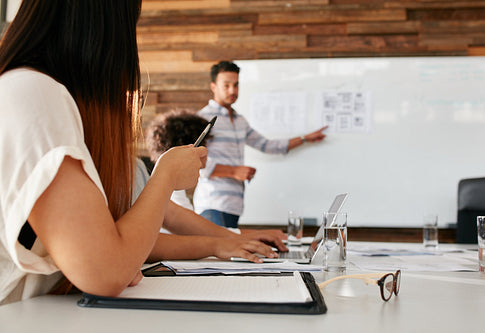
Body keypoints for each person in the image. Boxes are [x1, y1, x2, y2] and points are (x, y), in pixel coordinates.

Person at [0, 0, 276, 305]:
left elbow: (120, 247)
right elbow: (106, 271)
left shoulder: (39, 95)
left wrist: (223, 242)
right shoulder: (33, 93)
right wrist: (167, 174)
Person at [194, 60, 328, 228]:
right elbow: (194, 161)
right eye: (226, 85)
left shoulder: (239, 120)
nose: (232, 90)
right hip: (212, 205)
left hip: (234, 206)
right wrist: (234, 171)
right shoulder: (202, 119)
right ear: (213, 86)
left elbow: (267, 145)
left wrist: (304, 138)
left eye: (236, 85)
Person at [144, 110, 287, 241]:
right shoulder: (169, 192)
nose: (207, 153)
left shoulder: (173, 189)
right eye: (205, 146)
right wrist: (252, 236)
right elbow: (197, 237)